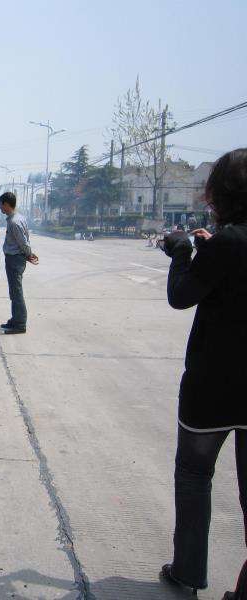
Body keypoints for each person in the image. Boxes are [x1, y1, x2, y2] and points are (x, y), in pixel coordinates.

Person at [159, 148, 247, 598]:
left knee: (194, 477)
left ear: (222, 193)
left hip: (212, 388)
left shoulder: (227, 243)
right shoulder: (225, 244)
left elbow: (181, 296)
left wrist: (180, 252)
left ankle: (188, 572)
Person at [0, 192, 38, 334]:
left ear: (7, 204)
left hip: (15, 259)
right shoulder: (17, 218)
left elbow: (23, 241)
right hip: (14, 258)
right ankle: (15, 319)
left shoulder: (14, 222)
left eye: (0, 204)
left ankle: (20, 324)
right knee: (14, 292)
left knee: (17, 292)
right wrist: (26, 254)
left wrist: (29, 254)